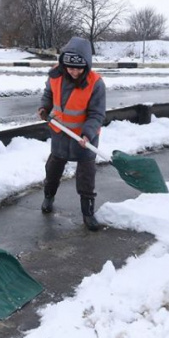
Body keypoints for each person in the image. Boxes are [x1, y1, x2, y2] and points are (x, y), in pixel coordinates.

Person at [37, 37, 106, 231]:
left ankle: (88, 213)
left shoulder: (96, 84)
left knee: (86, 176)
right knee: (53, 169)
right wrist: (44, 107)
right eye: (70, 67)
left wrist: (88, 133)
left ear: (87, 65)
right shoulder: (55, 76)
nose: (74, 72)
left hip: (85, 137)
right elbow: (48, 95)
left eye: (79, 68)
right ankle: (48, 197)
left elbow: (97, 114)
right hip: (60, 133)